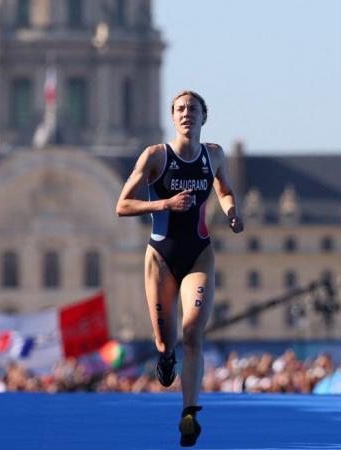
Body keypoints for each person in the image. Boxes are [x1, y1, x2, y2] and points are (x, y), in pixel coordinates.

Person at [116, 90, 243, 447]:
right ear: (172, 118)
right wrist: (166, 202)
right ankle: (165, 355)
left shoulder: (214, 155)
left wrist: (232, 211)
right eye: (180, 109)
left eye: (193, 109)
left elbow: (226, 190)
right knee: (165, 338)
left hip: (199, 254)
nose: (187, 114)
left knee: (192, 331)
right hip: (160, 255)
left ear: (205, 116)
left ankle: (189, 413)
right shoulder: (156, 156)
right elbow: (122, 205)